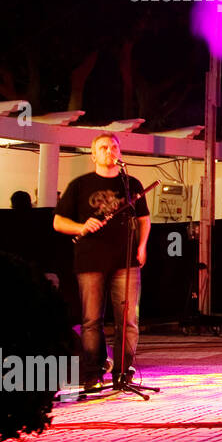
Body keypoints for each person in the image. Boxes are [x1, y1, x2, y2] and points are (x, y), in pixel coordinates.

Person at [52, 134, 150, 388]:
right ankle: (93, 372)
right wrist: (81, 226)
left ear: (119, 153)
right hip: (90, 260)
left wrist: (141, 246)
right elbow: (58, 222)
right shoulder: (80, 185)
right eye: (103, 147)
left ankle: (122, 371)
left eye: (114, 147)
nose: (109, 151)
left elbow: (144, 220)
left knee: (128, 320)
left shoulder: (131, 184)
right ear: (93, 154)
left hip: (125, 261)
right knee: (92, 320)